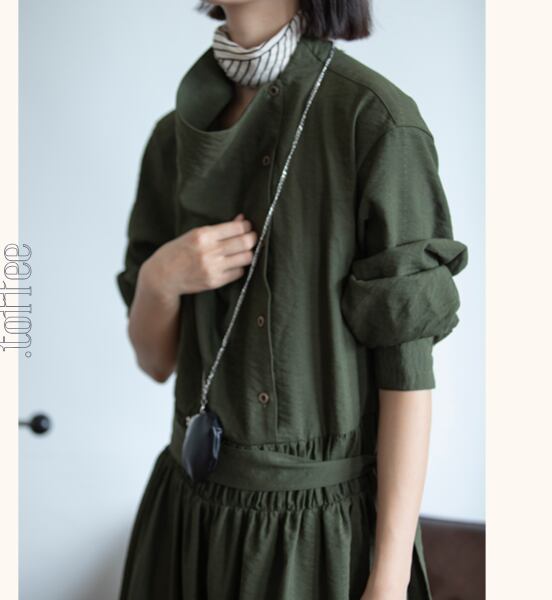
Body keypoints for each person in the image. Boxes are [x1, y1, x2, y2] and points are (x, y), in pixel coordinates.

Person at [115, 1, 469, 599]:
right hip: (185, 521)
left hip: (315, 541)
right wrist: (159, 280)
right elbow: (156, 361)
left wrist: (389, 579)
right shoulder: (172, 137)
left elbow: (408, 371)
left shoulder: (373, 120)